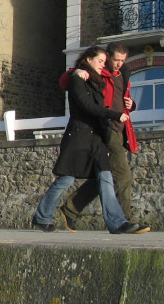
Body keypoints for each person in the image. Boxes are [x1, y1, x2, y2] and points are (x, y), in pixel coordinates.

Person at [32, 46, 150, 235]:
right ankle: (42, 217)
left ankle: (118, 223)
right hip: (79, 138)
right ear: (88, 60)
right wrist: (114, 114)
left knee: (106, 178)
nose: (103, 65)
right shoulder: (78, 80)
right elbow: (87, 106)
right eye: (101, 61)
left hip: (97, 139)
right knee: (66, 179)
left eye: (105, 62)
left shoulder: (99, 81)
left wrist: (129, 107)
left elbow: (113, 101)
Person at [56, 42, 139, 230]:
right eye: (116, 60)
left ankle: (70, 209)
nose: (118, 64)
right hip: (106, 129)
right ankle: (125, 220)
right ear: (108, 57)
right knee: (123, 176)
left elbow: (121, 101)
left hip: (121, 129)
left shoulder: (123, 74)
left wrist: (131, 105)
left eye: (122, 61)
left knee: (103, 176)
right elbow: (64, 83)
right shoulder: (97, 72)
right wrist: (73, 73)